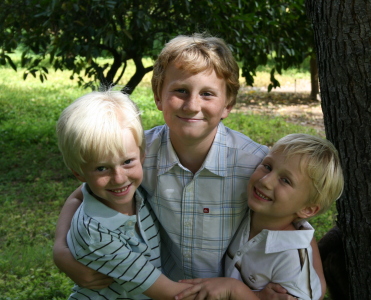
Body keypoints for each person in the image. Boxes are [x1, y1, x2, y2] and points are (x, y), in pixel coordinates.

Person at [53, 34, 324, 299]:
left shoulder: (254, 164)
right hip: (162, 285)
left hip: (223, 291)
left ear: (227, 104)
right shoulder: (136, 156)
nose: (193, 105)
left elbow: (293, 216)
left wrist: (317, 280)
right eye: (180, 91)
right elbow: (82, 193)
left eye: (207, 94)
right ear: (159, 96)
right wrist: (61, 252)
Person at [56, 90, 200, 299]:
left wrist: (59, 248)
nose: (119, 178)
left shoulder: (133, 189)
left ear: (142, 155)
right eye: (101, 168)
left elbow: (77, 196)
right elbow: (170, 294)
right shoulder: (97, 233)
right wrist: (236, 291)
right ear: (79, 173)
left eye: (127, 162)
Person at [175, 133, 344, 300]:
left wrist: (234, 290)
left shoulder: (290, 257)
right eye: (268, 166)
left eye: (285, 180)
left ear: (307, 209)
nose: (266, 181)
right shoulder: (245, 211)